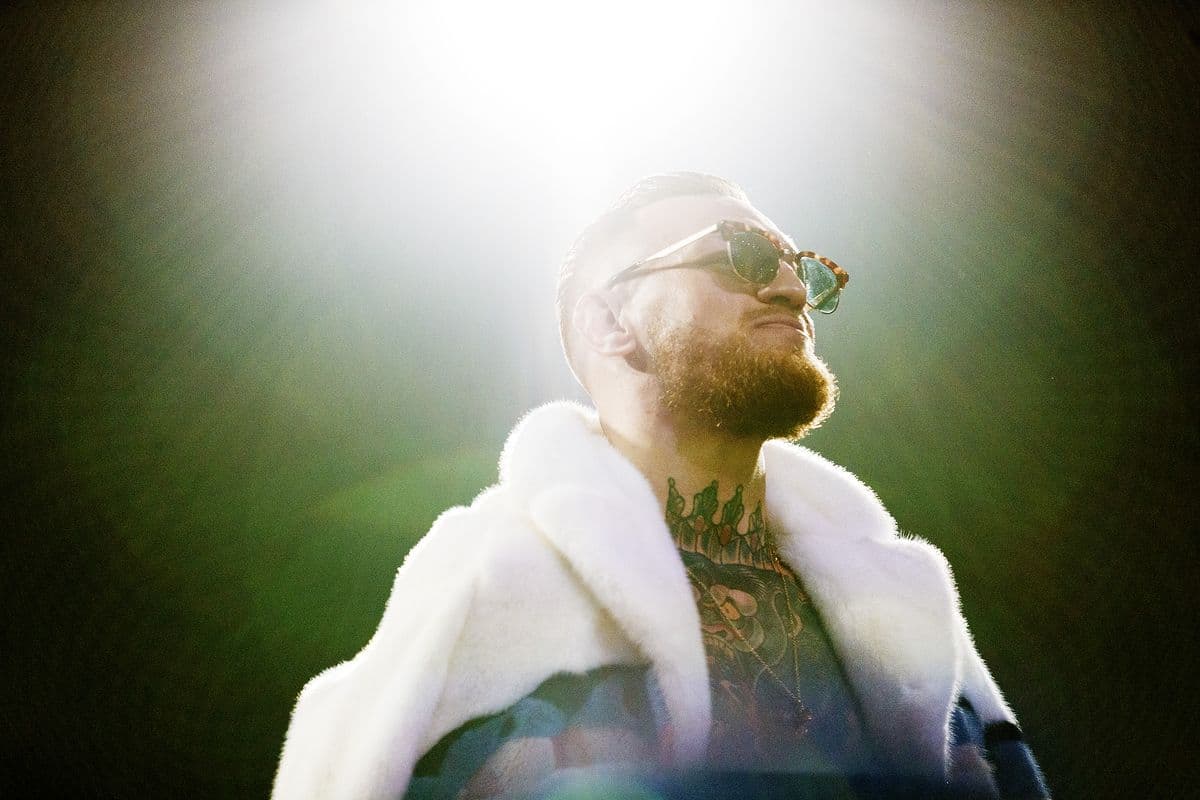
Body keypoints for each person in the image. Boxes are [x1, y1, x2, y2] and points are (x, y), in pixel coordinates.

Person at [272, 173, 1049, 800]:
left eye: (797, 266)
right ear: (613, 321)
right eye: (740, 255)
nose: (790, 289)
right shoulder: (488, 591)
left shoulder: (912, 618)